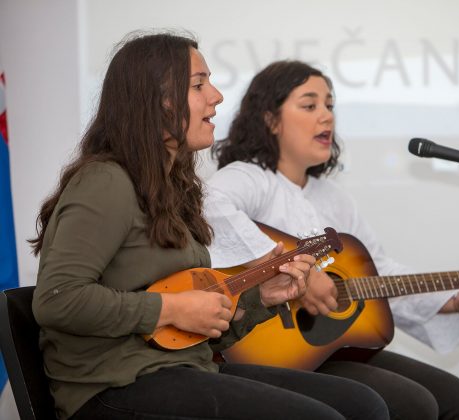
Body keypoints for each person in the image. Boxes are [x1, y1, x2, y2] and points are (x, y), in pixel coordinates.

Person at [30, 34, 390, 420]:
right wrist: (171, 307)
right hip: (112, 387)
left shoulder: (174, 189)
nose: (216, 97)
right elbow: (57, 299)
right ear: (156, 100)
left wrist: (261, 299)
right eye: (199, 84)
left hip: (185, 368)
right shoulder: (106, 182)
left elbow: (194, 331)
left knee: (362, 405)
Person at [205, 60, 459, 420]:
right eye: (310, 105)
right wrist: (297, 270)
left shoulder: (334, 198)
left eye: (330, 105)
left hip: (330, 347)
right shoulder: (250, 178)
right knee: (414, 405)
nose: (326, 116)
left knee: (456, 398)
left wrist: (453, 299)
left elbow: (376, 271)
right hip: (267, 350)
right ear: (270, 119)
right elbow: (209, 206)